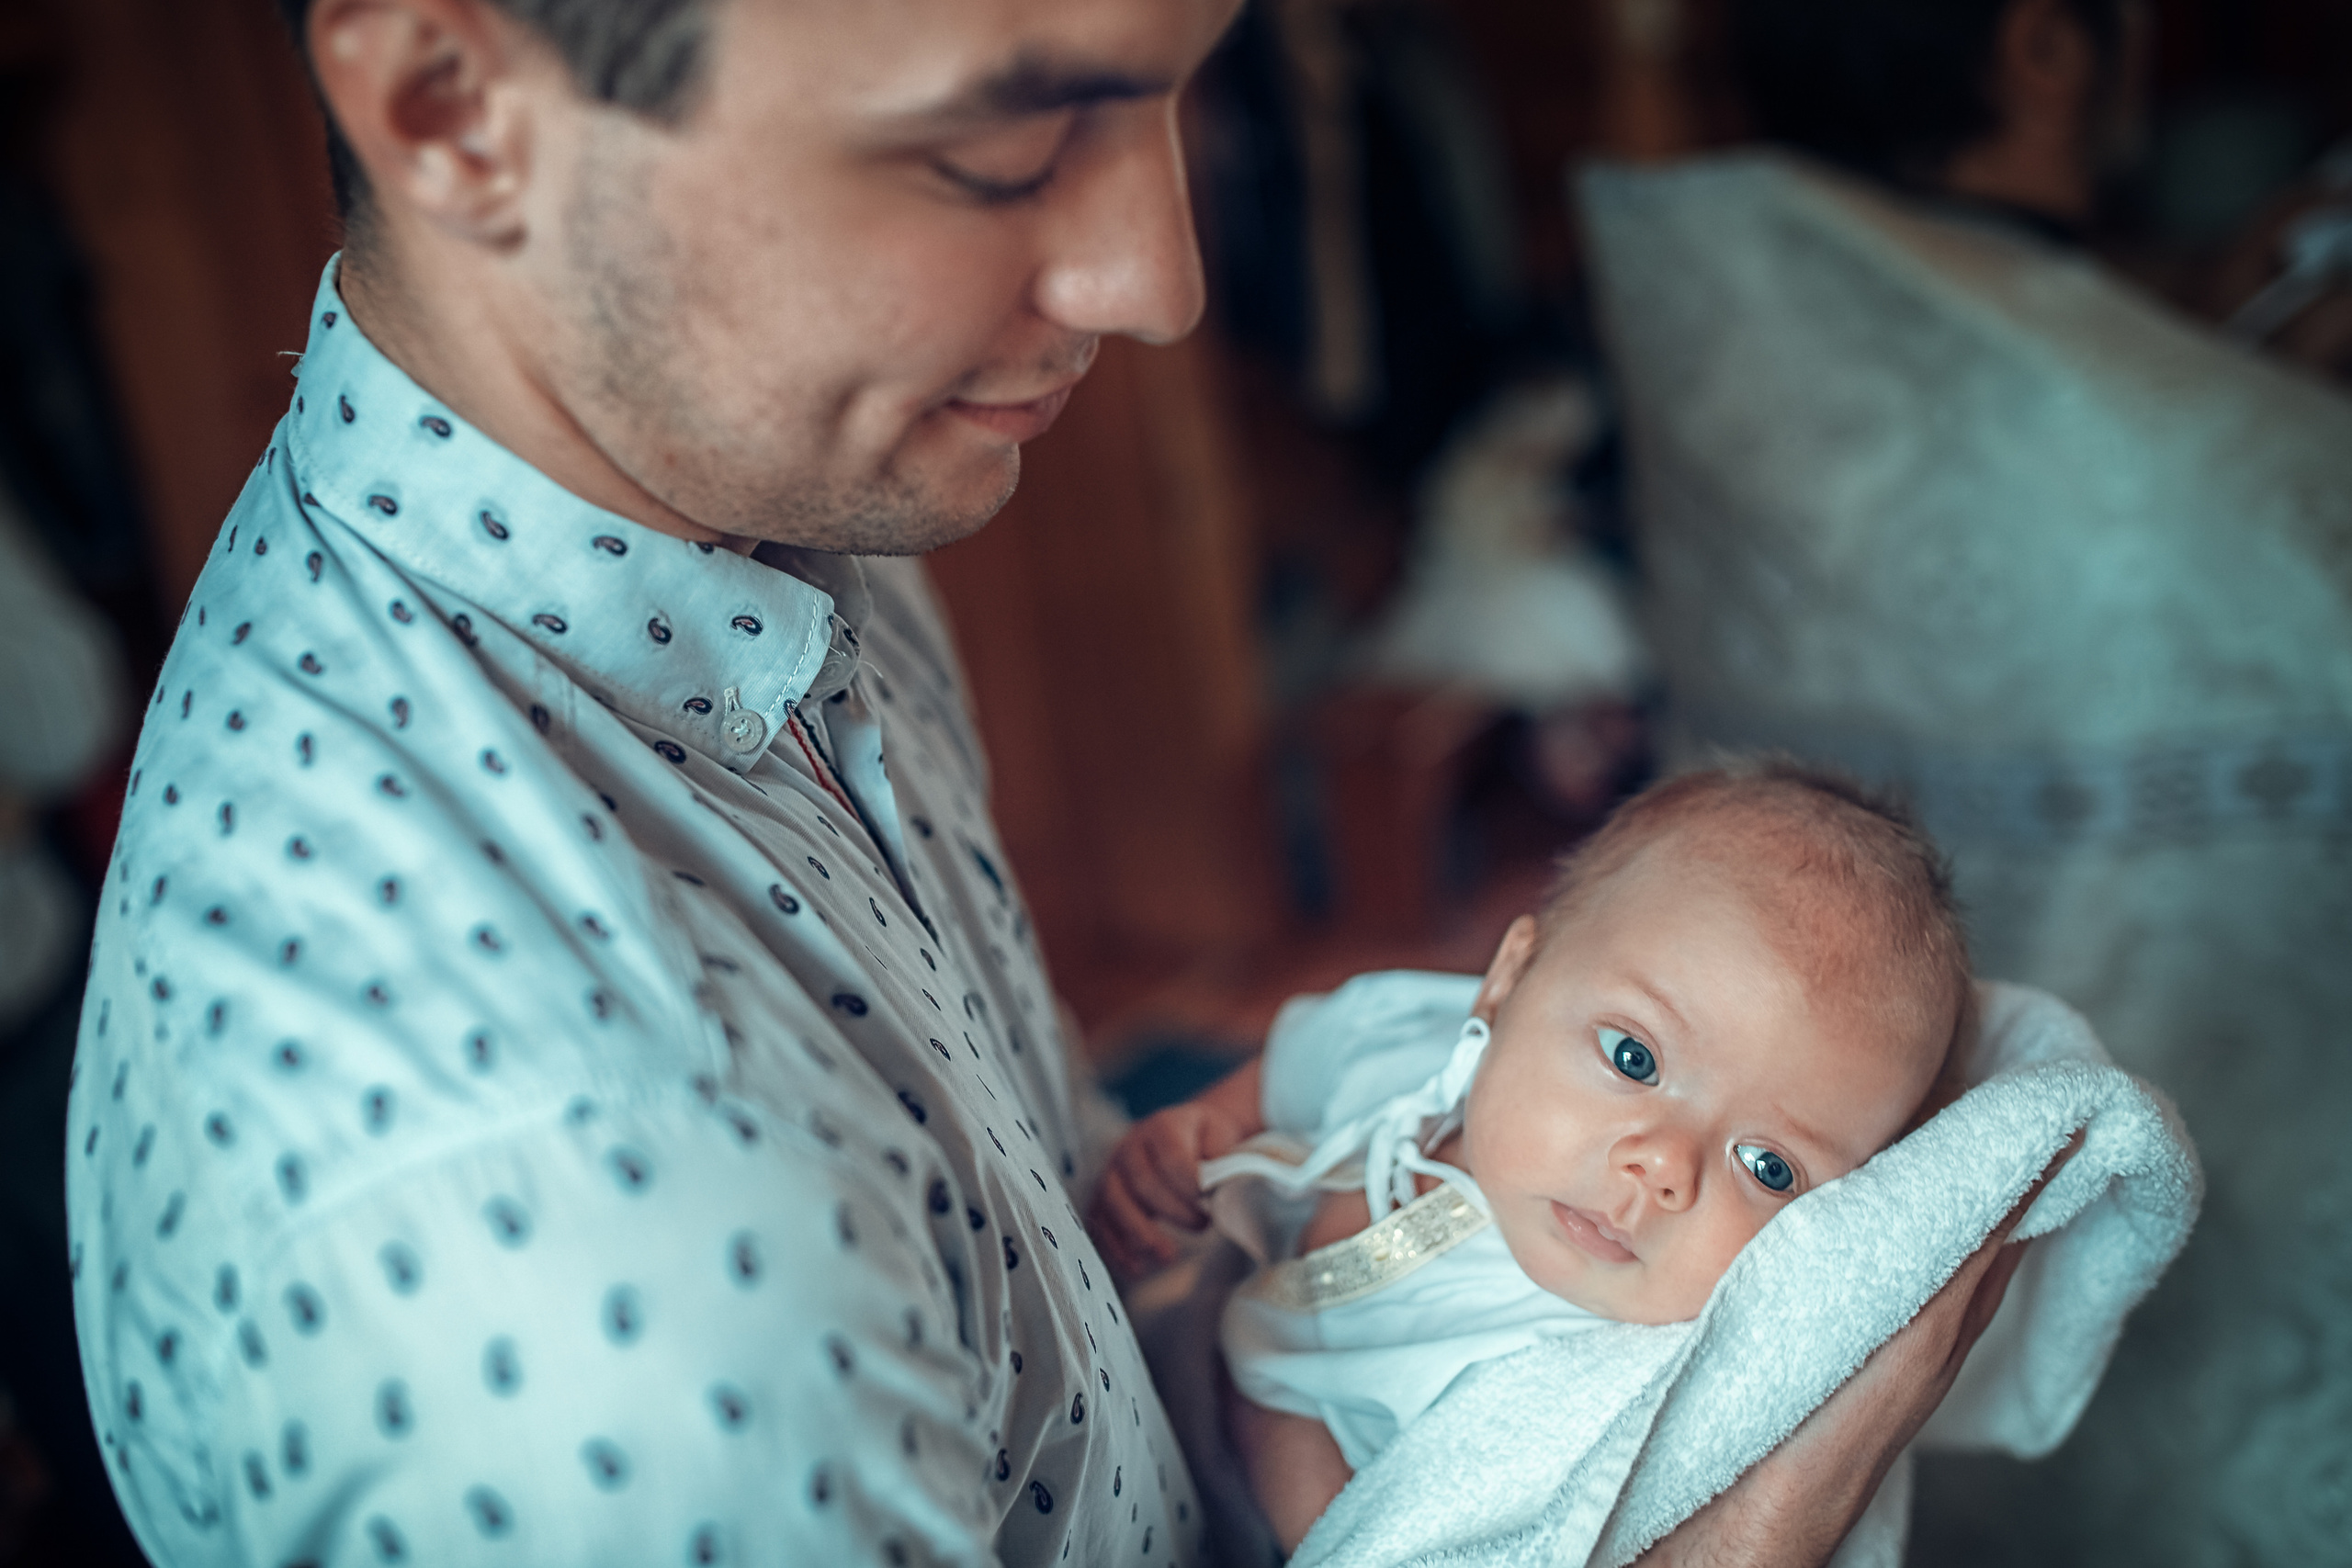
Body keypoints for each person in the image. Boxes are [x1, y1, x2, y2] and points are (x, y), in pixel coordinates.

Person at [66, 0, 2041, 1563]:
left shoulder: (747, 544)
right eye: (996, 147)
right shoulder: (622, 1253)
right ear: (452, 107)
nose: (1156, 277)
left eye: (1187, 93)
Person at [1576, 1, 2352, 1562]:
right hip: (2209, 1235)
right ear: (2047, 49)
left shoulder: (1718, 320)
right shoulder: (2215, 462)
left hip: (1764, 1264)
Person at [1092, 763, 1970, 1551]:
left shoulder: (1593, 1375)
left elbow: (1385, 1524)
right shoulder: (1410, 1037)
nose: (1664, 1168)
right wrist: (1193, 1134)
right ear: (1510, 980)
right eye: (1635, 1058)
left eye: (1768, 1166)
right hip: (1155, 1350)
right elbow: (1288, 1068)